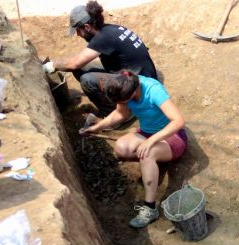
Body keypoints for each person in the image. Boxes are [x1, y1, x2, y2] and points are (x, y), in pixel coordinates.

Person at [79, 71, 187, 228]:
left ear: (134, 92)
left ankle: (150, 209)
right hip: (147, 132)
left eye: (125, 101)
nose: (124, 104)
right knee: (122, 148)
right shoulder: (123, 84)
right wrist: (97, 127)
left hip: (172, 136)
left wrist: (151, 141)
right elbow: (119, 114)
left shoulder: (153, 90)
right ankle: (153, 162)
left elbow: (178, 121)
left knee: (147, 153)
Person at [43, 1, 158, 117]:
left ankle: (117, 114)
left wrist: (50, 66)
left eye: (78, 30)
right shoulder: (110, 29)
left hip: (140, 88)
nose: (78, 34)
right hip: (141, 76)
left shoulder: (102, 38)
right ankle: (117, 101)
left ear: (87, 27)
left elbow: (74, 64)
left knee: (87, 80)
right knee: (81, 67)